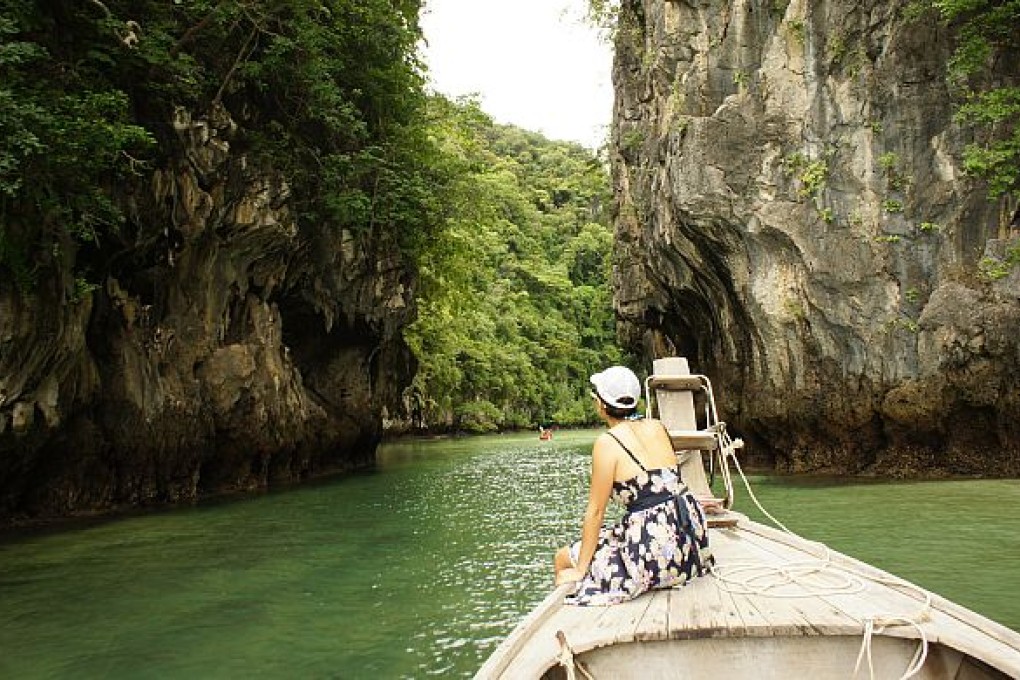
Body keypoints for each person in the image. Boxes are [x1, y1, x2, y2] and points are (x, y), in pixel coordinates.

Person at [554, 365, 714, 606]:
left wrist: (580, 569)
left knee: (563, 558)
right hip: (691, 539)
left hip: (656, 545)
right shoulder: (657, 427)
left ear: (600, 404)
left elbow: (596, 512)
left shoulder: (607, 443)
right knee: (612, 537)